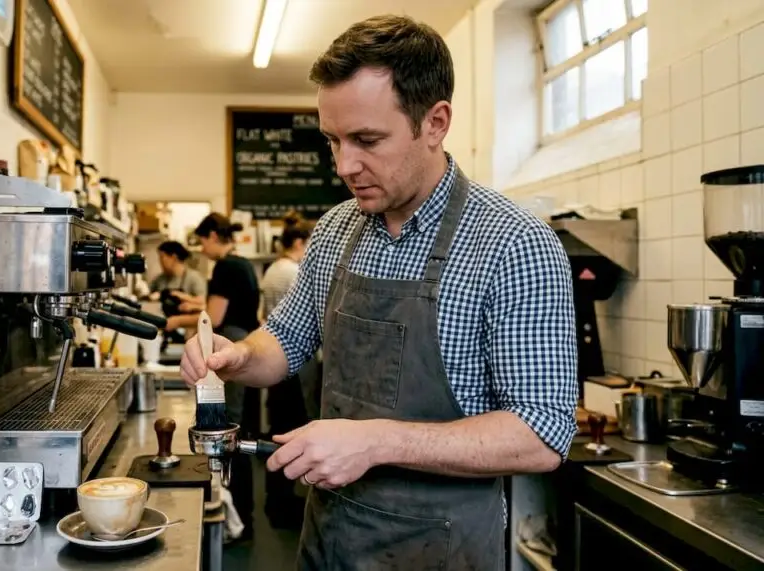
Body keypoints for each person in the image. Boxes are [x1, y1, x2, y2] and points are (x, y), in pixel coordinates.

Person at [180, 14, 578, 570]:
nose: (345, 165)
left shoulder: (513, 244)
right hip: (332, 537)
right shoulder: (336, 228)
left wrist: (378, 443)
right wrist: (237, 355)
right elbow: (287, 342)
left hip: (442, 548)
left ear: (435, 122)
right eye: (333, 141)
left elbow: (542, 432)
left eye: (367, 140)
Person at [182, 212, 261, 539]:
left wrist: (174, 323)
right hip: (244, 345)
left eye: (202, 240)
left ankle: (234, 520)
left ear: (214, 235)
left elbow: (211, 316)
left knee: (228, 436)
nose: (202, 248)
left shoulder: (225, 267)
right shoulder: (242, 265)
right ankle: (244, 515)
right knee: (239, 434)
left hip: (228, 352)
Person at [260, 212, 314, 528]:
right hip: (291, 363)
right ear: (299, 242)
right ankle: (281, 505)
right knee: (289, 433)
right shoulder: (293, 272)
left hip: (277, 365)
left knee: (280, 429)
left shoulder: (272, 270)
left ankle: (278, 500)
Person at [147, 241, 208, 333]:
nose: (160, 261)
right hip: (164, 328)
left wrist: (186, 301)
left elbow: (204, 303)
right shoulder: (160, 280)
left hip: (187, 330)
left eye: (162, 257)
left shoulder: (194, 278)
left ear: (174, 257)